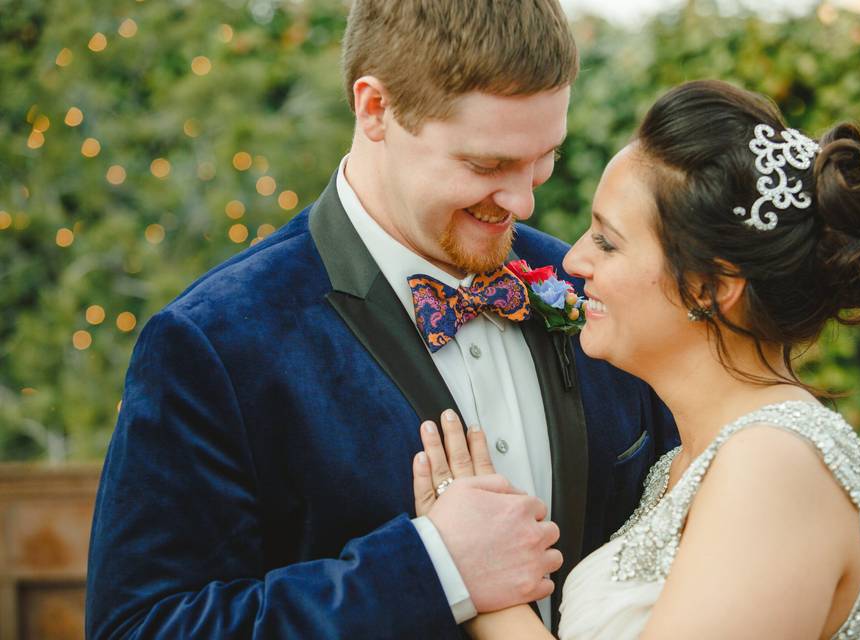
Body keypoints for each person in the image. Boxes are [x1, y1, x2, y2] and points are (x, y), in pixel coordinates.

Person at [84, 2, 678, 638]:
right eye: (485, 165)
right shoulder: (213, 344)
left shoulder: (592, 287)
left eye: (543, 156)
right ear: (376, 110)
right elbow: (139, 626)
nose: (524, 199)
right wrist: (435, 571)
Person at [410, 79, 860, 639]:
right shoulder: (680, 466)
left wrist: (479, 585)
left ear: (709, 287)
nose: (573, 260)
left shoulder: (776, 464)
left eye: (608, 241)